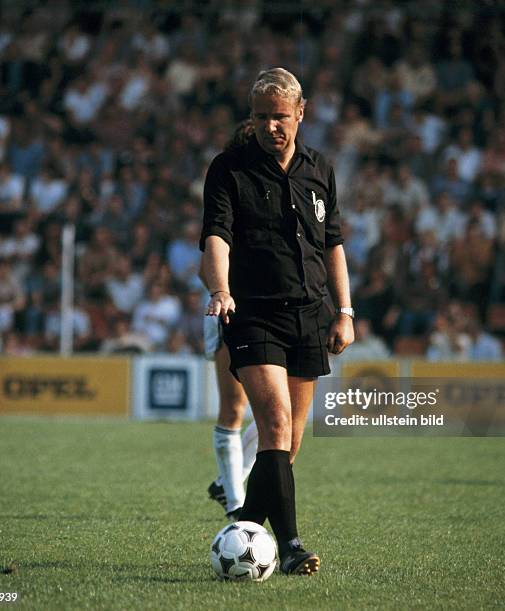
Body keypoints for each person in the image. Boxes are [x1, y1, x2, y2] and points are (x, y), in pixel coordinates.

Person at [200, 68, 354, 576]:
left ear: (300, 113)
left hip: (309, 316)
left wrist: (345, 311)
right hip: (251, 315)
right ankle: (289, 545)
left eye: (280, 116)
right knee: (275, 426)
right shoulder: (229, 169)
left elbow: (332, 245)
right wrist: (220, 290)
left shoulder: (320, 169)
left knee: (288, 446)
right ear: (252, 117)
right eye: (262, 116)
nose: (271, 126)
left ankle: (243, 525)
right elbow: (215, 238)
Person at [202, 120, 259, 522]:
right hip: (230, 310)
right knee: (234, 408)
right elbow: (203, 263)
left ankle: (230, 480)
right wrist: (225, 289)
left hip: (270, 312)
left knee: (284, 413)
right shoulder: (229, 191)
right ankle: (238, 509)